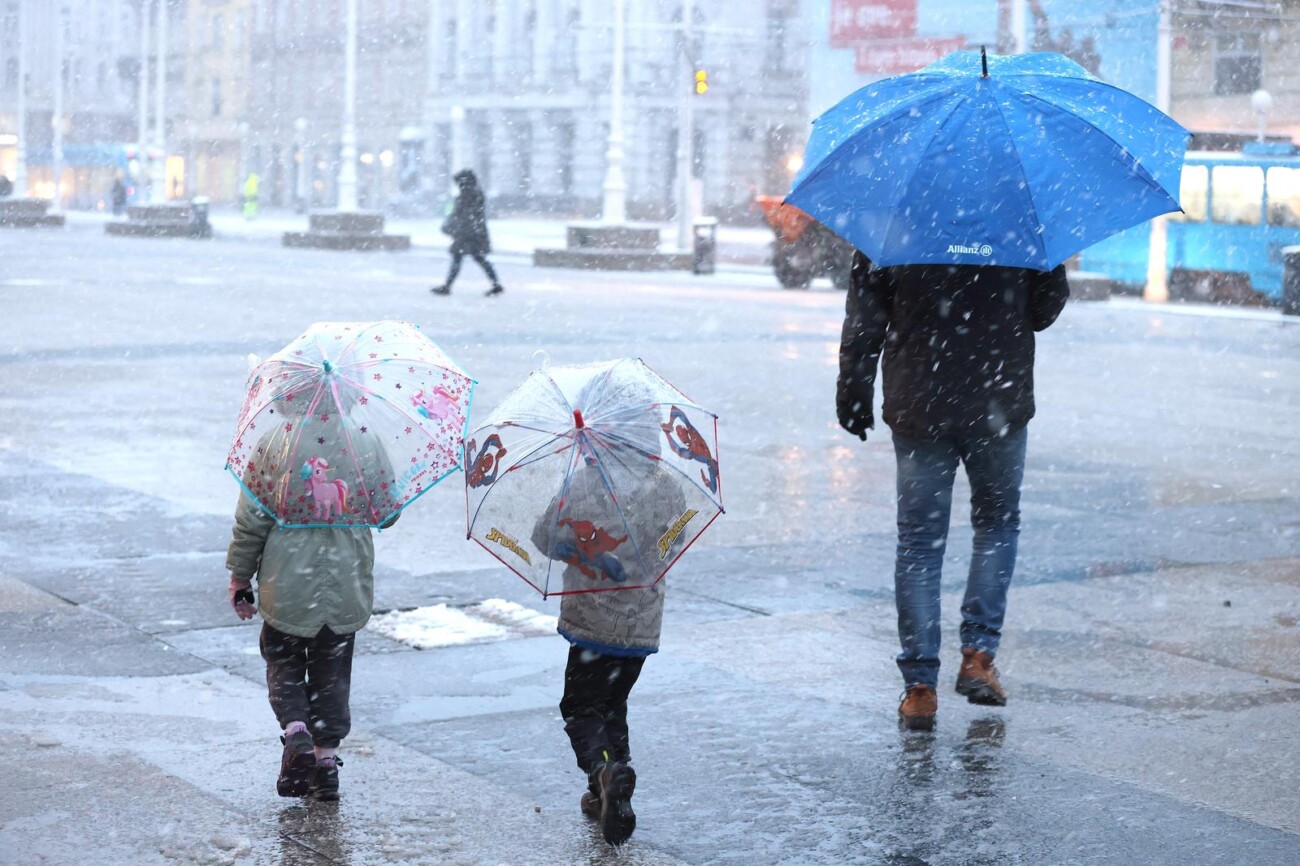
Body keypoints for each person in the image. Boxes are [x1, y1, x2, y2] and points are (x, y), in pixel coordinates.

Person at [837, 252, 1069, 732]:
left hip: (919, 399)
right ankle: (978, 658)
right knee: (997, 524)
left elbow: (866, 317)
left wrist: (854, 389)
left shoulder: (896, 217)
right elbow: (1045, 311)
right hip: (997, 398)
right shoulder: (1018, 219)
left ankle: (920, 688)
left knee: (920, 542)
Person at [225, 379, 398, 801]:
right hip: (346, 581)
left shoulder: (276, 442)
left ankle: (296, 732)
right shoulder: (366, 440)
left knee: (283, 660)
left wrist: (239, 577)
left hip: (288, 581)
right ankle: (326, 764)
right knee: (332, 672)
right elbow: (388, 512)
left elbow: (253, 520)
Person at [530, 417, 686, 845]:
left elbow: (544, 537)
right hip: (640, 626)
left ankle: (603, 772)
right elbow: (677, 539)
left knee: (581, 708)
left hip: (591, 624)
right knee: (613, 703)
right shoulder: (667, 486)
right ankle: (610, 785)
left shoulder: (581, 484)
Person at [431, 169, 504, 297]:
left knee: (459, 258)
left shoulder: (468, 195)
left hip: (467, 233)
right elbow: (465, 215)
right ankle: (496, 284)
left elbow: (460, 215)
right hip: (474, 232)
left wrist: (451, 227)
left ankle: (447, 286)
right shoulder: (476, 193)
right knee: (478, 258)